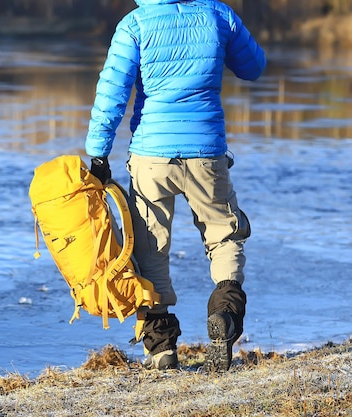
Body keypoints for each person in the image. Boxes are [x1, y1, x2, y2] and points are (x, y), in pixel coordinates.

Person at [86, 0, 266, 372]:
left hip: (152, 156)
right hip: (206, 153)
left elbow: (112, 93)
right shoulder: (217, 14)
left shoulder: (135, 24)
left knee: (149, 249)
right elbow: (254, 67)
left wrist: (99, 155)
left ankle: (162, 349)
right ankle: (226, 316)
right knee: (224, 235)